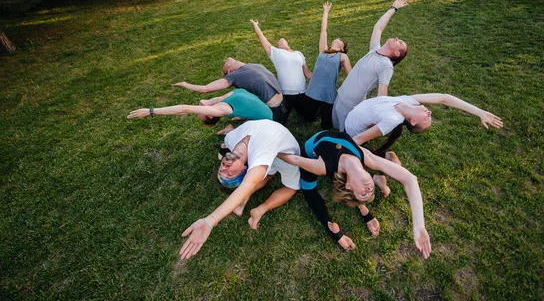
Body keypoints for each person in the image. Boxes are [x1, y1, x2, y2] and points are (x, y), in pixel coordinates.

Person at [276, 131, 431, 258]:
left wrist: (272, 149)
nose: (370, 190)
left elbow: (295, 159)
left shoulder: (321, 167)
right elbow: (410, 179)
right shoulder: (366, 157)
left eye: (363, 193)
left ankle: (334, 225)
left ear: (349, 186)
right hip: (326, 155)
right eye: (370, 192)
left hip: (312, 155)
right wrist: (419, 224)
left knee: (308, 189)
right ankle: (359, 211)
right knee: (326, 181)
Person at [179, 120, 301, 260]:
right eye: (230, 174)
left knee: (269, 174)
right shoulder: (259, 157)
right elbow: (248, 183)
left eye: (221, 170)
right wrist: (210, 220)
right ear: (245, 169)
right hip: (286, 157)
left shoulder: (230, 140)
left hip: (280, 148)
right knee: (292, 187)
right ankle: (260, 209)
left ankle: (243, 199)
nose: (224, 169)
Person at [332, 0, 410, 131]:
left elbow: (382, 96)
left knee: (344, 135)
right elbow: (378, 28)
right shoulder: (375, 50)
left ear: (397, 53)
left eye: (400, 42)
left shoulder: (386, 66)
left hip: (350, 106)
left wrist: (374, 118)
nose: (397, 38)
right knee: (334, 124)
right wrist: (394, 8)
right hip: (340, 96)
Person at [345, 93, 504, 154]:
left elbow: (358, 140)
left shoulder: (393, 120)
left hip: (350, 129)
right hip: (353, 113)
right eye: (429, 116)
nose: (430, 112)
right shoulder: (407, 101)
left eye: (426, 118)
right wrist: (480, 112)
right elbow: (444, 98)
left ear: (412, 121)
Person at [172, 58, 286, 124]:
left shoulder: (235, 75)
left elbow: (205, 89)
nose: (227, 61)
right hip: (282, 102)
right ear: (231, 70)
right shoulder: (255, 66)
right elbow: (206, 89)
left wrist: (185, 84)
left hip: (272, 110)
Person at [299, 1, 352, 129]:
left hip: (328, 95)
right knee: (307, 118)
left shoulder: (342, 56)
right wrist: (326, 12)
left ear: (341, 47)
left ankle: (321, 112)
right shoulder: (323, 51)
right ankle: (315, 112)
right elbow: (323, 30)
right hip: (312, 92)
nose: (337, 38)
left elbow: (351, 75)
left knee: (326, 125)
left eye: (339, 39)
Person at [250, 19, 311, 122]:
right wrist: (256, 25)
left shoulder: (298, 54)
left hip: (302, 92)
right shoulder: (276, 53)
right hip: (286, 94)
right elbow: (261, 38)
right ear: (277, 46)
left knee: (309, 117)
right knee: (280, 121)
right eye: (278, 43)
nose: (281, 40)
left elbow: (308, 73)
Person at [126, 89, 273, 132]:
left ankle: (232, 130)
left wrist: (151, 111)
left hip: (268, 120)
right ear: (210, 114)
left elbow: (187, 108)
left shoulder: (222, 104)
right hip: (267, 117)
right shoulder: (224, 103)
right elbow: (185, 109)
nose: (198, 110)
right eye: (200, 114)